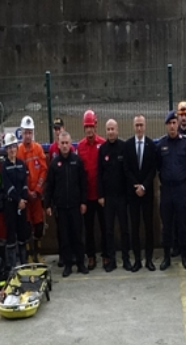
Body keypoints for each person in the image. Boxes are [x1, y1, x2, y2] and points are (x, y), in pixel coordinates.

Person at [45, 132, 88, 277]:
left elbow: (83, 183)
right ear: (58, 144)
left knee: (78, 236)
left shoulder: (77, 161)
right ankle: (68, 265)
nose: (64, 146)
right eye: (62, 143)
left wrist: (83, 202)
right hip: (61, 208)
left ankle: (81, 263)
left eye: (66, 143)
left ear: (71, 144)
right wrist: (48, 204)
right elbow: (49, 185)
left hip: (76, 206)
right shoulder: (54, 164)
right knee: (65, 238)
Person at [157, 111, 186, 271]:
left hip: (181, 190)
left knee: (183, 224)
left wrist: (185, 184)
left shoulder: (185, 143)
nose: (172, 126)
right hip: (166, 190)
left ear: (177, 125)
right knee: (167, 225)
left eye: (174, 123)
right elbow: (158, 167)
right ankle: (166, 257)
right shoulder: (161, 145)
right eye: (169, 124)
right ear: (166, 126)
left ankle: (185, 257)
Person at [98, 119, 131, 271]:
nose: (111, 132)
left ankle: (126, 259)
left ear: (117, 130)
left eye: (113, 129)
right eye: (108, 129)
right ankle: (111, 260)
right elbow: (99, 174)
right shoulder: (102, 149)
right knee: (109, 230)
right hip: (108, 198)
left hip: (122, 196)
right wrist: (101, 195)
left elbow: (128, 173)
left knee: (124, 229)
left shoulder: (124, 147)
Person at [126, 115, 158, 271]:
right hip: (133, 194)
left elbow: (153, 169)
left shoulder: (152, 145)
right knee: (135, 227)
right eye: (137, 125)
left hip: (147, 194)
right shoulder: (128, 145)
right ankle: (137, 260)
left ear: (145, 126)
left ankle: (149, 260)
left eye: (141, 125)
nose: (139, 128)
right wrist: (135, 185)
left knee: (148, 227)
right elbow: (126, 169)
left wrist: (144, 186)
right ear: (134, 126)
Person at [77, 110, 107, 269]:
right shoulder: (80, 146)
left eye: (91, 126)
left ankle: (106, 255)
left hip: (100, 195)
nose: (89, 129)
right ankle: (91, 256)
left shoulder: (102, 144)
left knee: (104, 227)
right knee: (88, 229)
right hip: (87, 196)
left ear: (95, 126)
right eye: (86, 126)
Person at [17, 116, 49, 263]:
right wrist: (26, 192)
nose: (28, 135)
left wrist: (37, 190)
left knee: (39, 226)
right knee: (27, 226)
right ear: (21, 133)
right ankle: (29, 255)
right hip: (25, 197)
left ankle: (38, 253)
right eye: (25, 132)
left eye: (30, 132)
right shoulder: (18, 151)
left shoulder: (38, 149)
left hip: (37, 196)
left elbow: (43, 170)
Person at [0, 133, 30, 269]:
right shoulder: (4, 166)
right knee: (11, 234)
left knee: (22, 233)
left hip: (22, 205)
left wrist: (23, 199)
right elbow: (7, 185)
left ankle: (24, 263)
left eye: (14, 146)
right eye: (9, 147)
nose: (12, 150)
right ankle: (12, 265)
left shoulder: (21, 164)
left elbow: (24, 183)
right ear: (6, 150)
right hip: (10, 205)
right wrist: (18, 200)